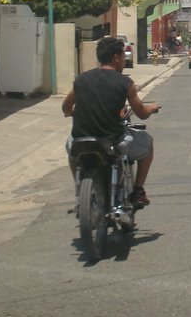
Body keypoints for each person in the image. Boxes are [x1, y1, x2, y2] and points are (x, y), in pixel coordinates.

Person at [62, 36, 160, 208]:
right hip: (113, 142)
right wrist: (151, 107)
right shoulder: (125, 83)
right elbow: (141, 114)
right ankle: (138, 191)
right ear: (116, 57)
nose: (124, 60)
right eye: (123, 56)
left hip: (81, 141)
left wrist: (74, 113)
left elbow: (66, 107)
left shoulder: (81, 80)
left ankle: (80, 192)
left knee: (72, 152)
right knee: (148, 143)